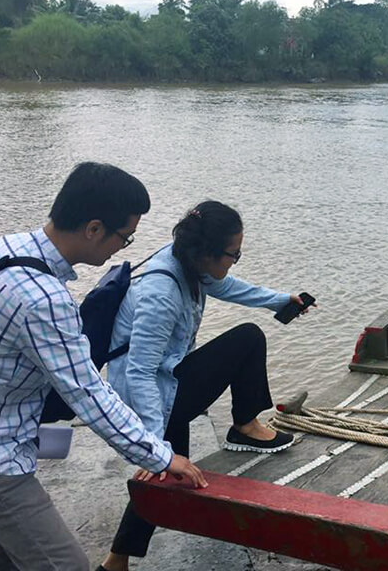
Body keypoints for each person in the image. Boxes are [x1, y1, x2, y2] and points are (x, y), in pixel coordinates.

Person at [0, 162, 206, 571]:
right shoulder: (43, 300)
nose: (120, 249)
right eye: (124, 239)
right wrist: (161, 456)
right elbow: (90, 395)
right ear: (93, 229)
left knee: (6, 559)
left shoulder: (0, 250)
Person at [99, 200, 307, 571]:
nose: (234, 261)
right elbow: (140, 373)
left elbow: (228, 287)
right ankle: (244, 426)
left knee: (165, 477)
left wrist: (279, 301)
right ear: (208, 252)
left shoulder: (188, 261)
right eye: (233, 254)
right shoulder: (162, 292)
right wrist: (153, 443)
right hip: (148, 395)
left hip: (167, 382)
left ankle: (115, 562)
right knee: (247, 338)